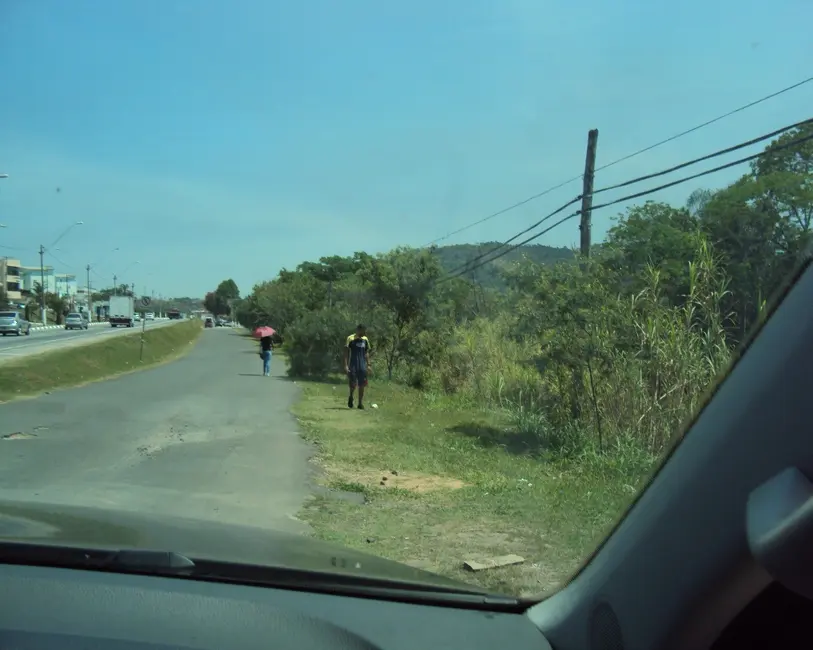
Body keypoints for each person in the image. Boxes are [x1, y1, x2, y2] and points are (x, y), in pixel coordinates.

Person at [344, 324, 371, 409]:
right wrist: (346, 365)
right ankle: (351, 396)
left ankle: (360, 403)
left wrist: (369, 365)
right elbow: (346, 353)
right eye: (363, 331)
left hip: (362, 365)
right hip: (353, 364)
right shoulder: (350, 338)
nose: (364, 333)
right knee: (353, 383)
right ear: (358, 330)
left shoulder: (365, 339)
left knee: (362, 384)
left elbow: (366, 352)